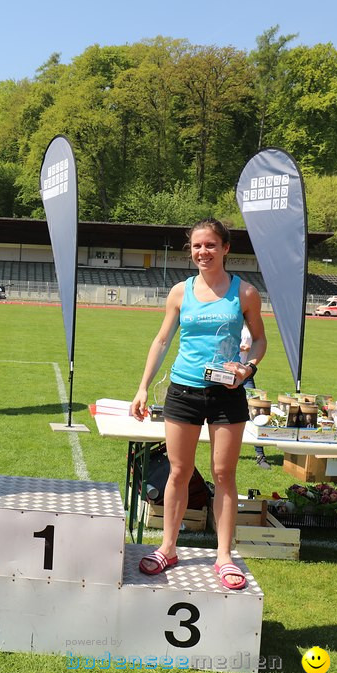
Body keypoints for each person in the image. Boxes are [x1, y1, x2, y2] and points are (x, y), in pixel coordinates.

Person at [129, 219, 266, 590]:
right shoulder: (180, 292)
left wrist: (248, 367)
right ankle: (168, 548)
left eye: (210, 245)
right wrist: (142, 387)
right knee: (179, 472)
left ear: (225, 249)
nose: (202, 252)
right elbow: (161, 341)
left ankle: (224, 555)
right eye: (196, 247)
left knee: (224, 474)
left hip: (227, 394)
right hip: (184, 391)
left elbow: (259, 341)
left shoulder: (246, 293)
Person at [240, 323, 271, 470]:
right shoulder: (231, 323)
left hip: (245, 374)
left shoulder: (251, 327)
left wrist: (249, 351)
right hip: (226, 374)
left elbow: (260, 345)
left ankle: (260, 455)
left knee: (256, 412)